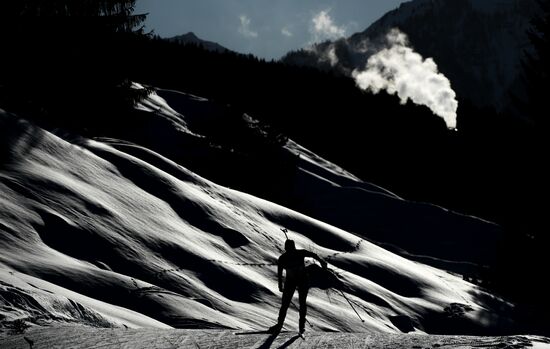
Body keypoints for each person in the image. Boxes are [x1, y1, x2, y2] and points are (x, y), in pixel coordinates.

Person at [269, 239, 327, 334]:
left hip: (294, 281)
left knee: (287, 304)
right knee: (298, 303)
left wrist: (280, 285)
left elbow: (279, 273)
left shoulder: (283, 257)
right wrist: (321, 262)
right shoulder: (298, 253)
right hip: (300, 280)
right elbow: (313, 255)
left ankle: (282, 325)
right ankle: (300, 327)